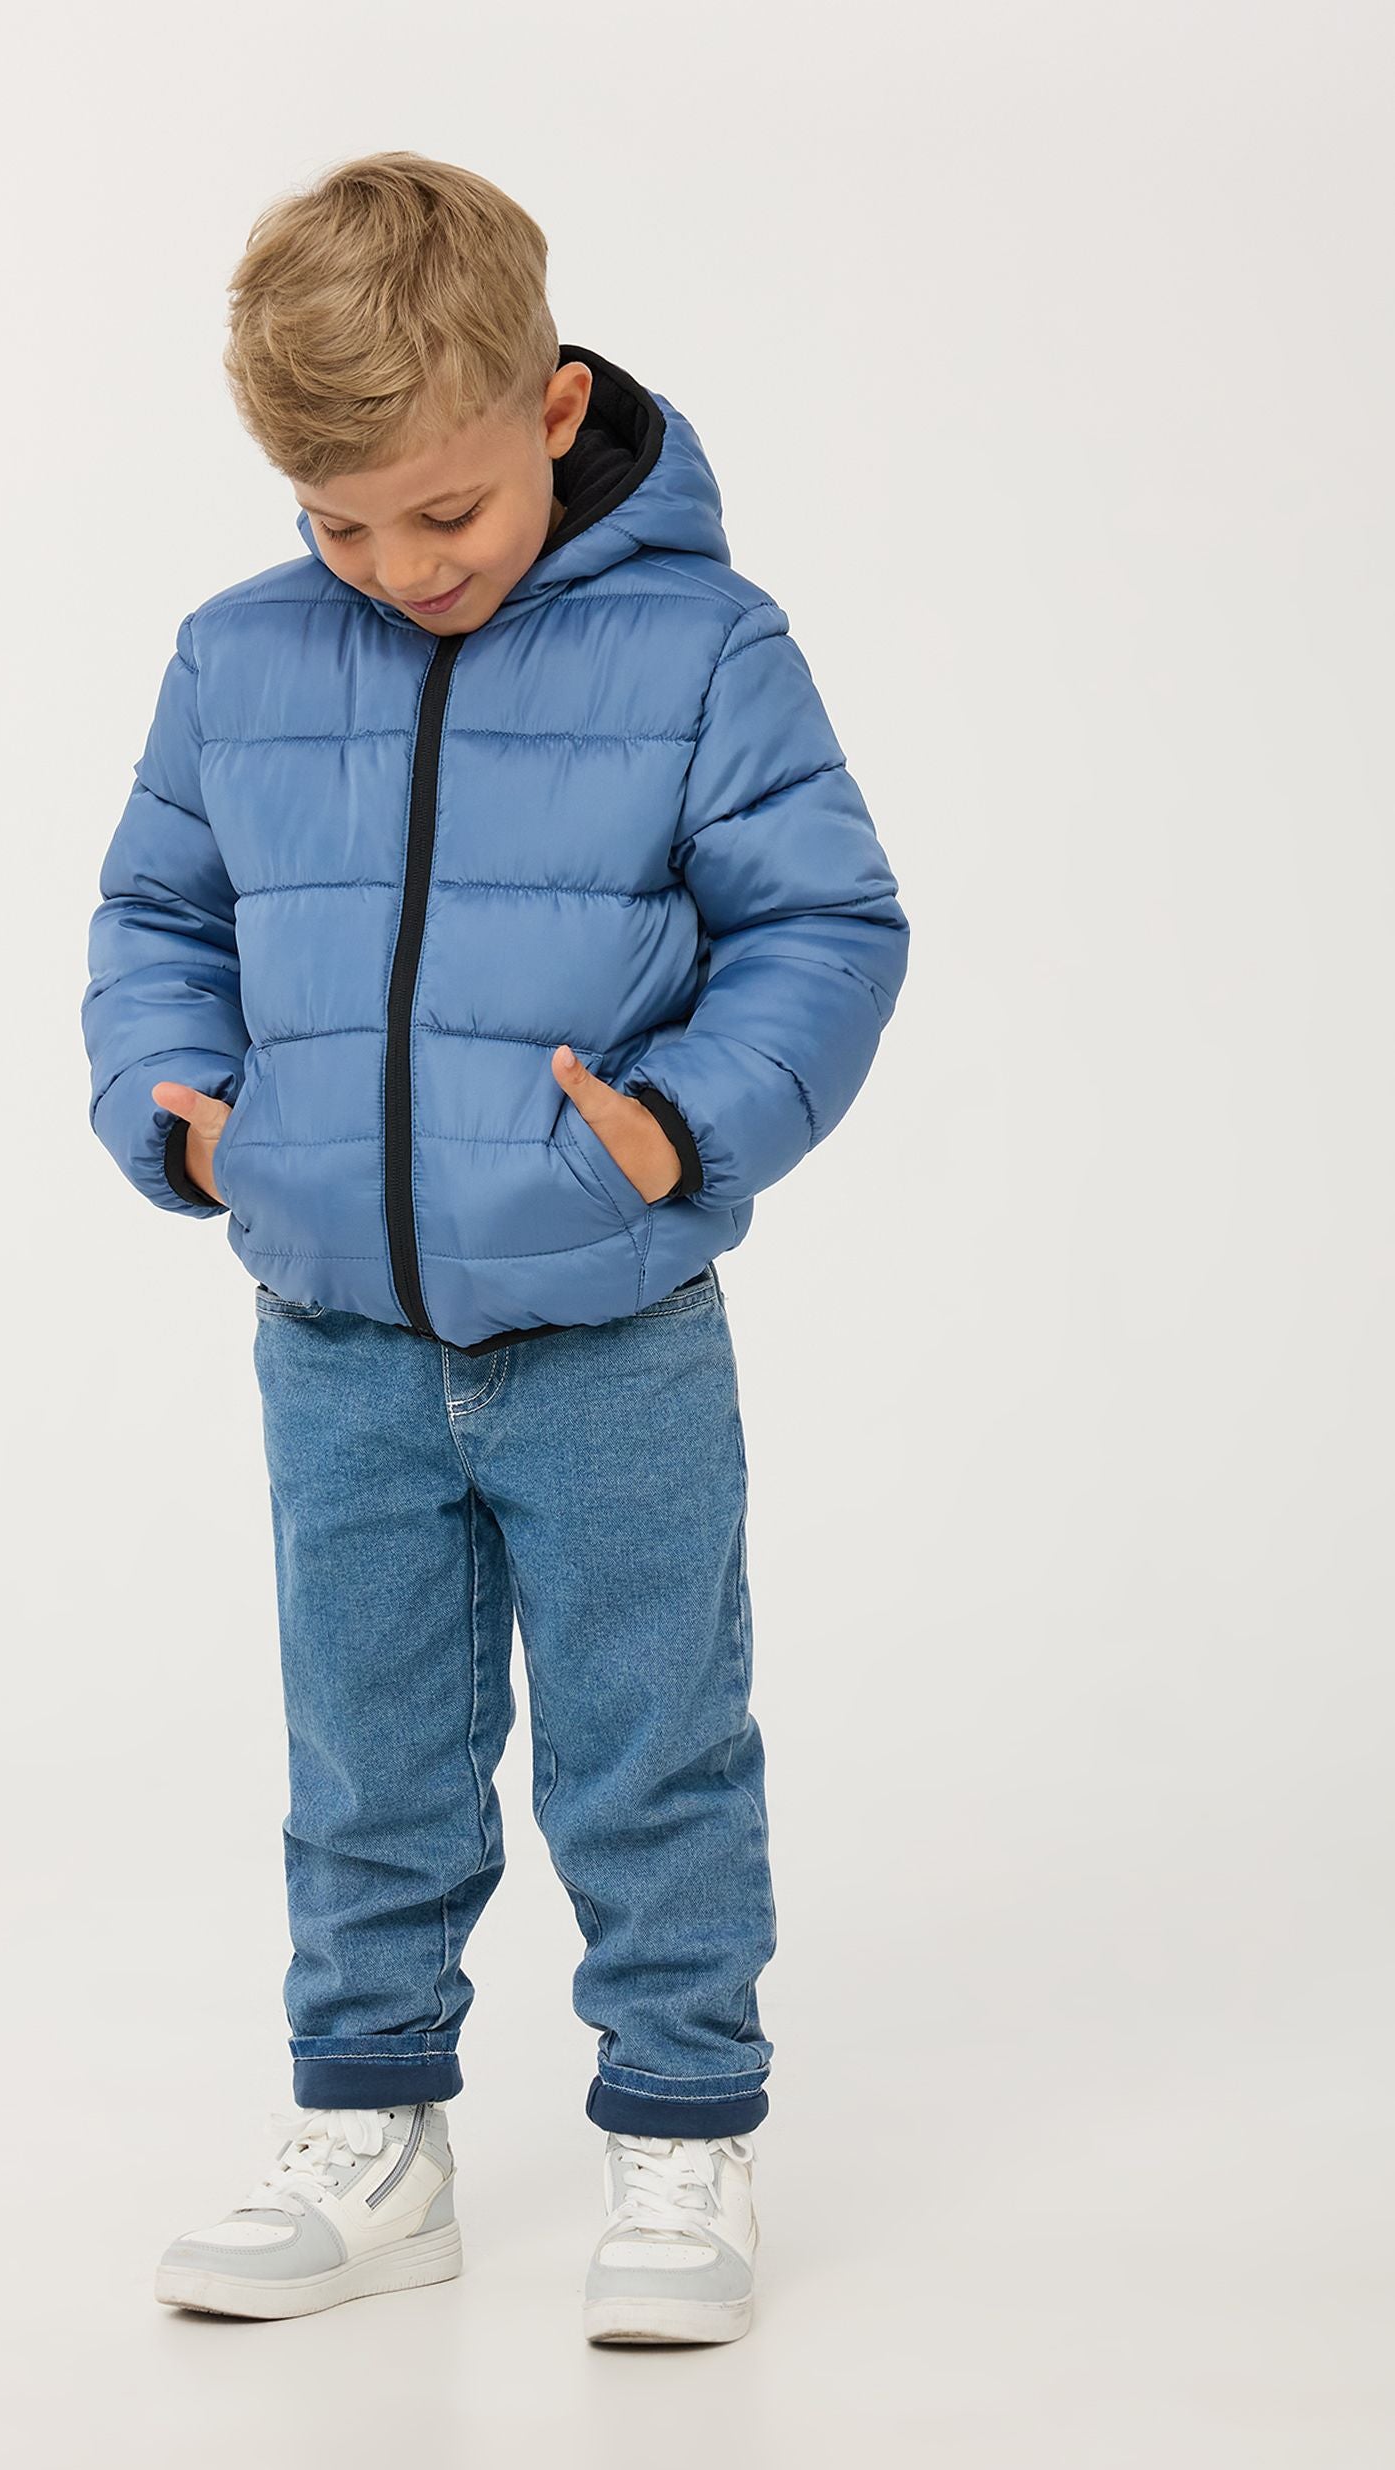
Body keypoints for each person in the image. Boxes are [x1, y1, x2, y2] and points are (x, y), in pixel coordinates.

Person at [81, 151, 909, 2345]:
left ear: (550, 411)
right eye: (339, 526)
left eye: (440, 512)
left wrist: (684, 1124)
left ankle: (680, 2133)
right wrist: (177, 1105)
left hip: (610, 1327)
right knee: (367, 1755)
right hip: (334, 1330)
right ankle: (374, 2142)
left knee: (649, 1748)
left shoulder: (705, 647)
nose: (398, 567)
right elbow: (157, 914)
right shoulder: (240, 656)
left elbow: (825, 926)